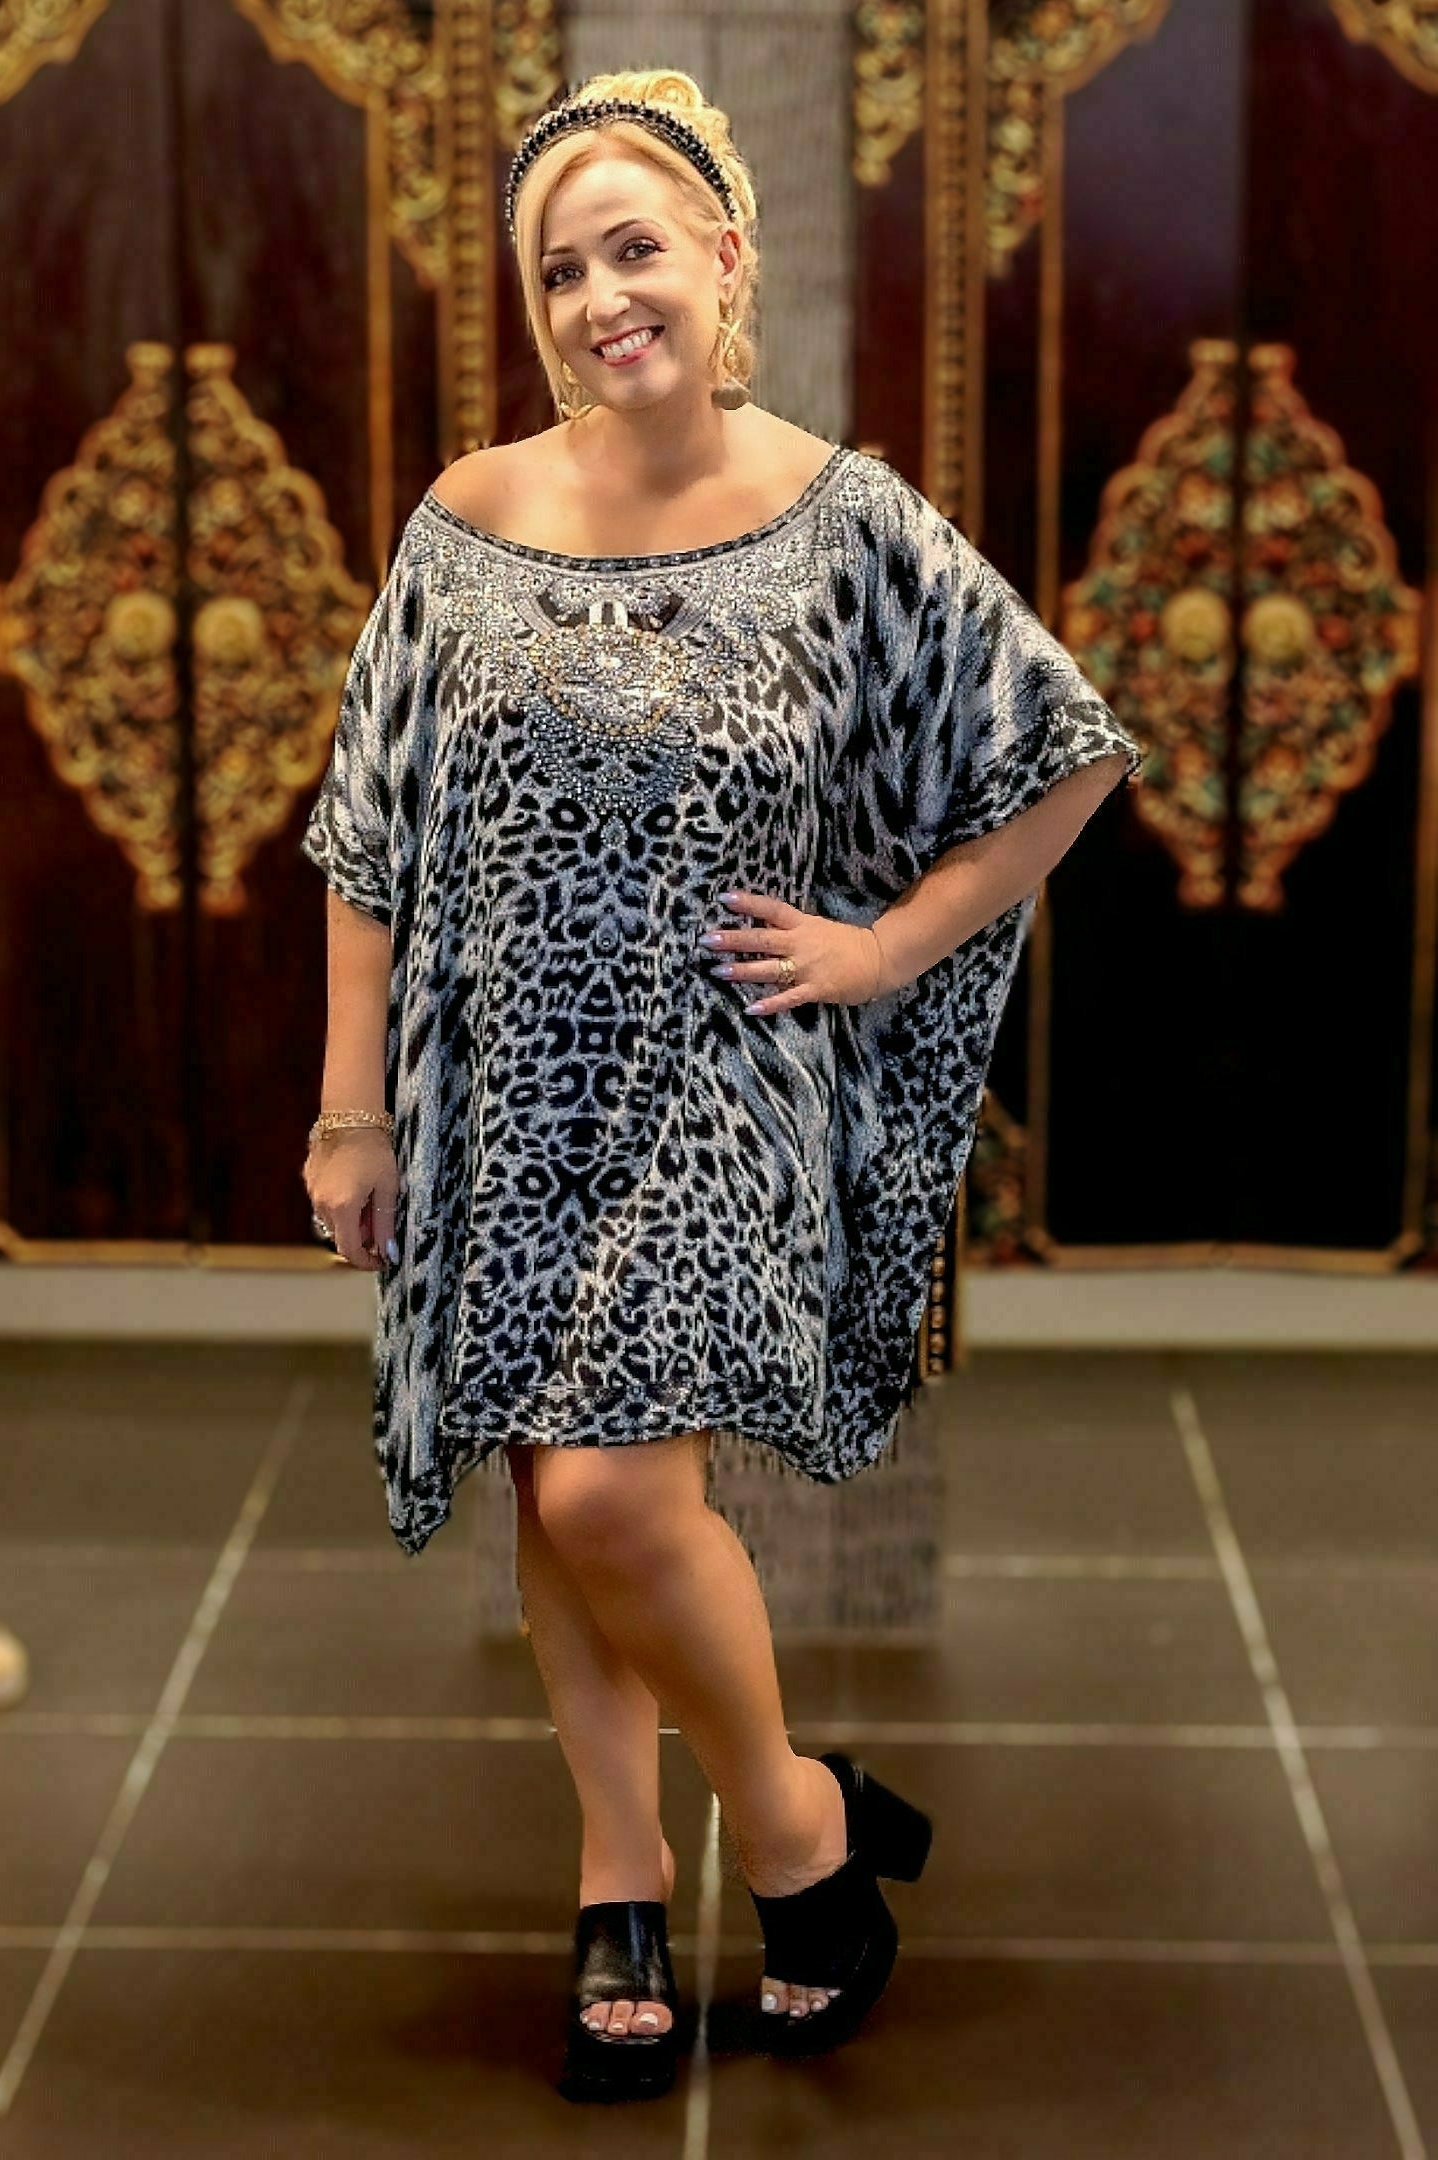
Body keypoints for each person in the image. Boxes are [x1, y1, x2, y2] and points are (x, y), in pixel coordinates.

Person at [301, 68, 1142, 2103]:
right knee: (549, 1482)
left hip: (712, 1087)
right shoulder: (468, 517)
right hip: (497, 1084)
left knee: (610, 1485)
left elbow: (1066, 752)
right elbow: (366, 831)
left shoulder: (847, 522)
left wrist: (880, 949)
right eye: (561, 270)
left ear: (725, 256)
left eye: (637, 249)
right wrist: (351, 1107)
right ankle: (619, 1867)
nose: (603, 297)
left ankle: (789, 1825)